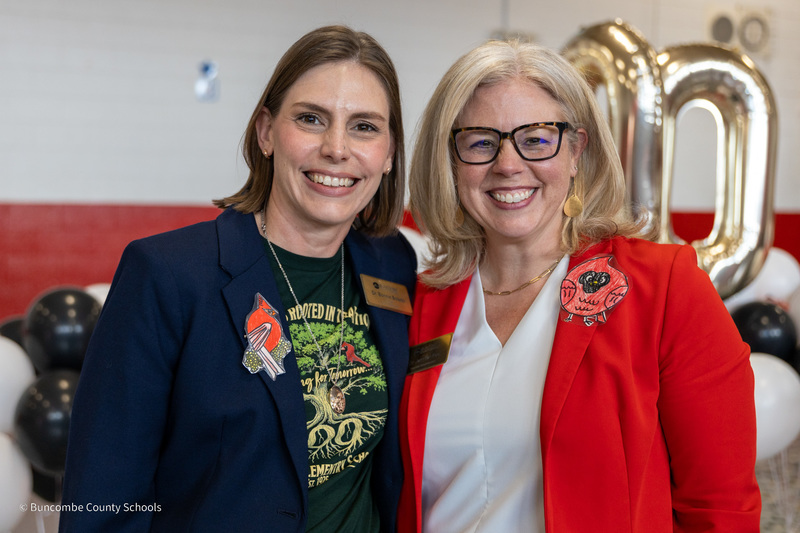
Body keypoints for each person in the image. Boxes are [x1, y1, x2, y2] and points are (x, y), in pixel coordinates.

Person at [59, 25, 416, 532]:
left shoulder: (392, 263)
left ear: (389, 152)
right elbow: (100, 501)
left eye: (364, 126)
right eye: (311, 119)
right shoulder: (167, 275)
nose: (337, 148)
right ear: (266, 132)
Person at [397, 39, 760, 532]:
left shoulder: (664, 289)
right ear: (452, 161)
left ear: (576, 152)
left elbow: (721, 509)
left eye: (537, 138)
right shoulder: (423, 302)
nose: (508, 164)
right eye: (481, 141)